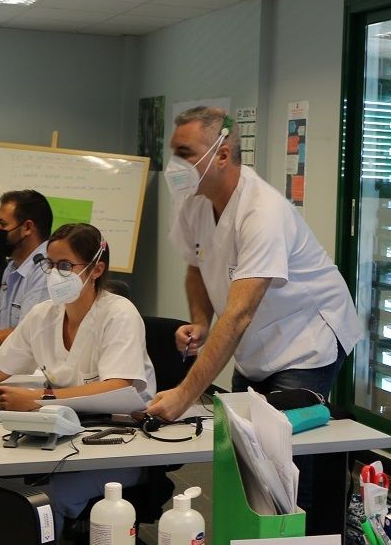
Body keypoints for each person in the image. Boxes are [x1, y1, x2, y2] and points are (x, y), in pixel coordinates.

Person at [145, 106, 364, 510]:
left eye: (186, 152)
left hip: (306, 337)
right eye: (174, 152)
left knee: (285, 457)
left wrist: (184, 394)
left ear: (222, 155)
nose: (176, 164)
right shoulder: (194, 201)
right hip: (257, 339)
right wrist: (199, 321)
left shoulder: (263, 210)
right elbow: (196, 266)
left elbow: (240, 312)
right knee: (245, 446)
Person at [0, 222, 157, 518]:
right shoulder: (44, 314)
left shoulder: (118, 315)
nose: (54, 274)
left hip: (119, 442)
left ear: (96, 269)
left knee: (43, 500)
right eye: (50, 264)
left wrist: (40, 399)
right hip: (61, 434)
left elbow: (119, 386)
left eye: (65, 265)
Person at [0, 189, 52, 345]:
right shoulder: (14, 265)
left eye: (2, 223)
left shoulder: (45, 269)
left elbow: (23, 335)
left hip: (29, 368)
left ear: (27, 228)